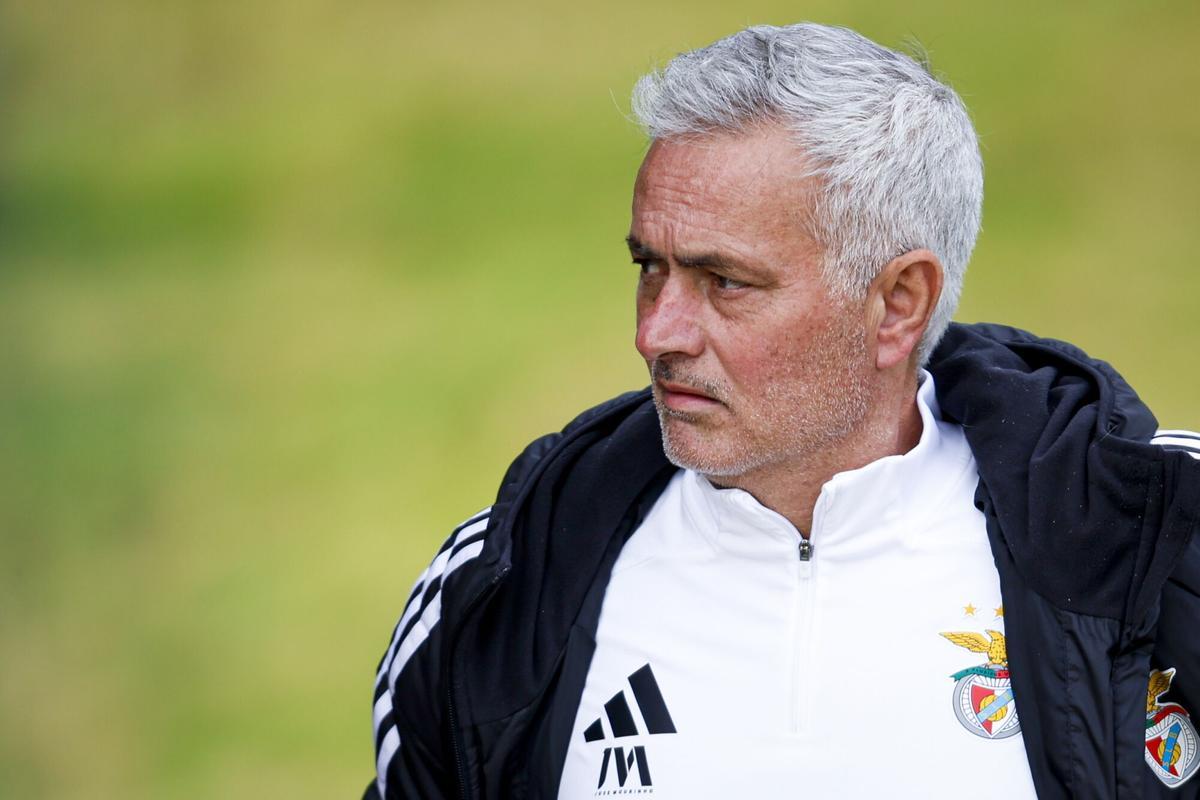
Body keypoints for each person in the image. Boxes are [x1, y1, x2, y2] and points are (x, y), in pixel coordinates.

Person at [365, 22, 1200, 799]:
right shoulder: (500, 583)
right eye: (648, 267)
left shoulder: (1164, 548)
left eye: (723, 281)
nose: (656, 332)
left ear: (898, 303)